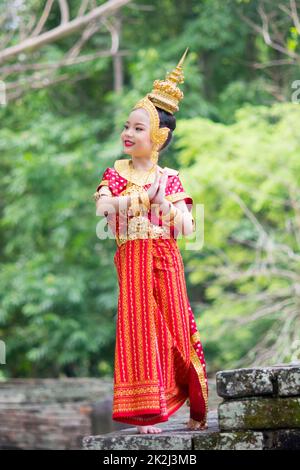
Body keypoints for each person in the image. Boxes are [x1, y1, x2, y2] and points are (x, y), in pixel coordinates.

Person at [94, 48, 208, 434]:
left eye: (138, 128)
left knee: (177, 325)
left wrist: (162, 204)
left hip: (164, 255)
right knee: (140, 329)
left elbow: (189, 228)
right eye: (127, 126)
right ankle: (147, 415)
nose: (128, 133)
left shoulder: (170, 177)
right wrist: (144, 199)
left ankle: (195, 404)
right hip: (132, 258)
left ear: (159, 136)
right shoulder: (116, 172)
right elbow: (104, 210)